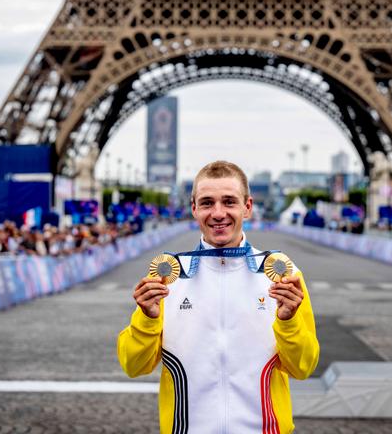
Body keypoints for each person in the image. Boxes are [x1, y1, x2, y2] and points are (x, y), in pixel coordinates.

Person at [117, 161, 319, 433]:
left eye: (229, 202)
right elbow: (133, 366)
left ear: (247, 207)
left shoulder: (282, 274)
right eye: (207, 203)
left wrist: (289, 322)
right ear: (194, 209)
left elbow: (303, 368)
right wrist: (147, 320)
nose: (218, 213)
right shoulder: (168, 277)